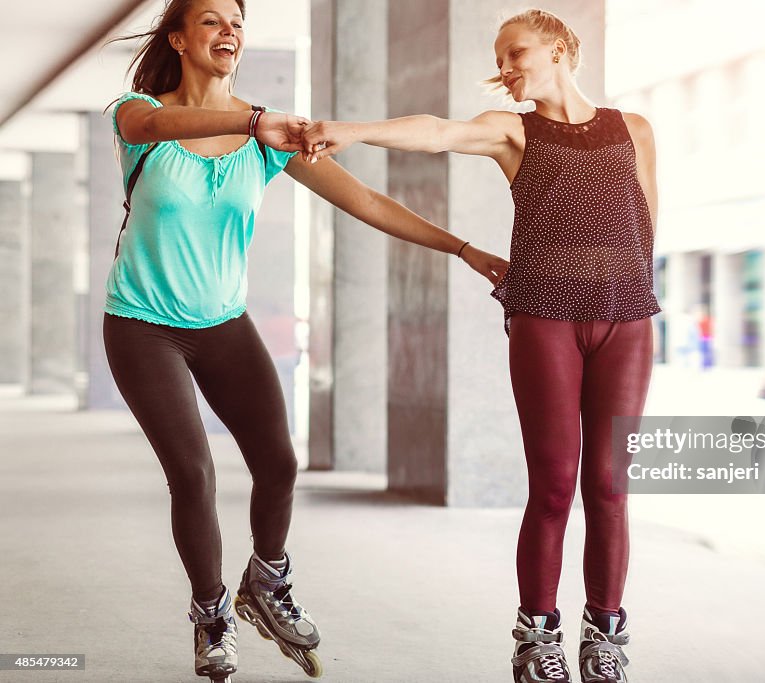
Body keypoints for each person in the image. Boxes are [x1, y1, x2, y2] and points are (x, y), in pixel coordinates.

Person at [104, 1, 507, 680]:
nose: (229, 30)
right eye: (210, 19)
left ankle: (266, 582)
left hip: (223, 323)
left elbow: (366, 201)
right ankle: (210, 615)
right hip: (142, 324)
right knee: (194, 473)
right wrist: (256, 119)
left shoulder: (267, 140)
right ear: (178, 36)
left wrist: (463, 248)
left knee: (280, 463)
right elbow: (154, 121)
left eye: (236, 21)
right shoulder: (140, 114)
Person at [301, 8, 659, 682]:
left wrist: (637, 304)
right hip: (545, 318)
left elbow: (649, 226)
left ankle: (605, 633)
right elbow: (437, 132)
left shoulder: (633, 130)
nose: (506, 68)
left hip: (627, 322)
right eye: (500, 57)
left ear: (559, 48)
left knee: (610, 486)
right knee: (553, 487)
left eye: (515, 52)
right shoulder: (513, 133)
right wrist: (349, 130)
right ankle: (537, 634)